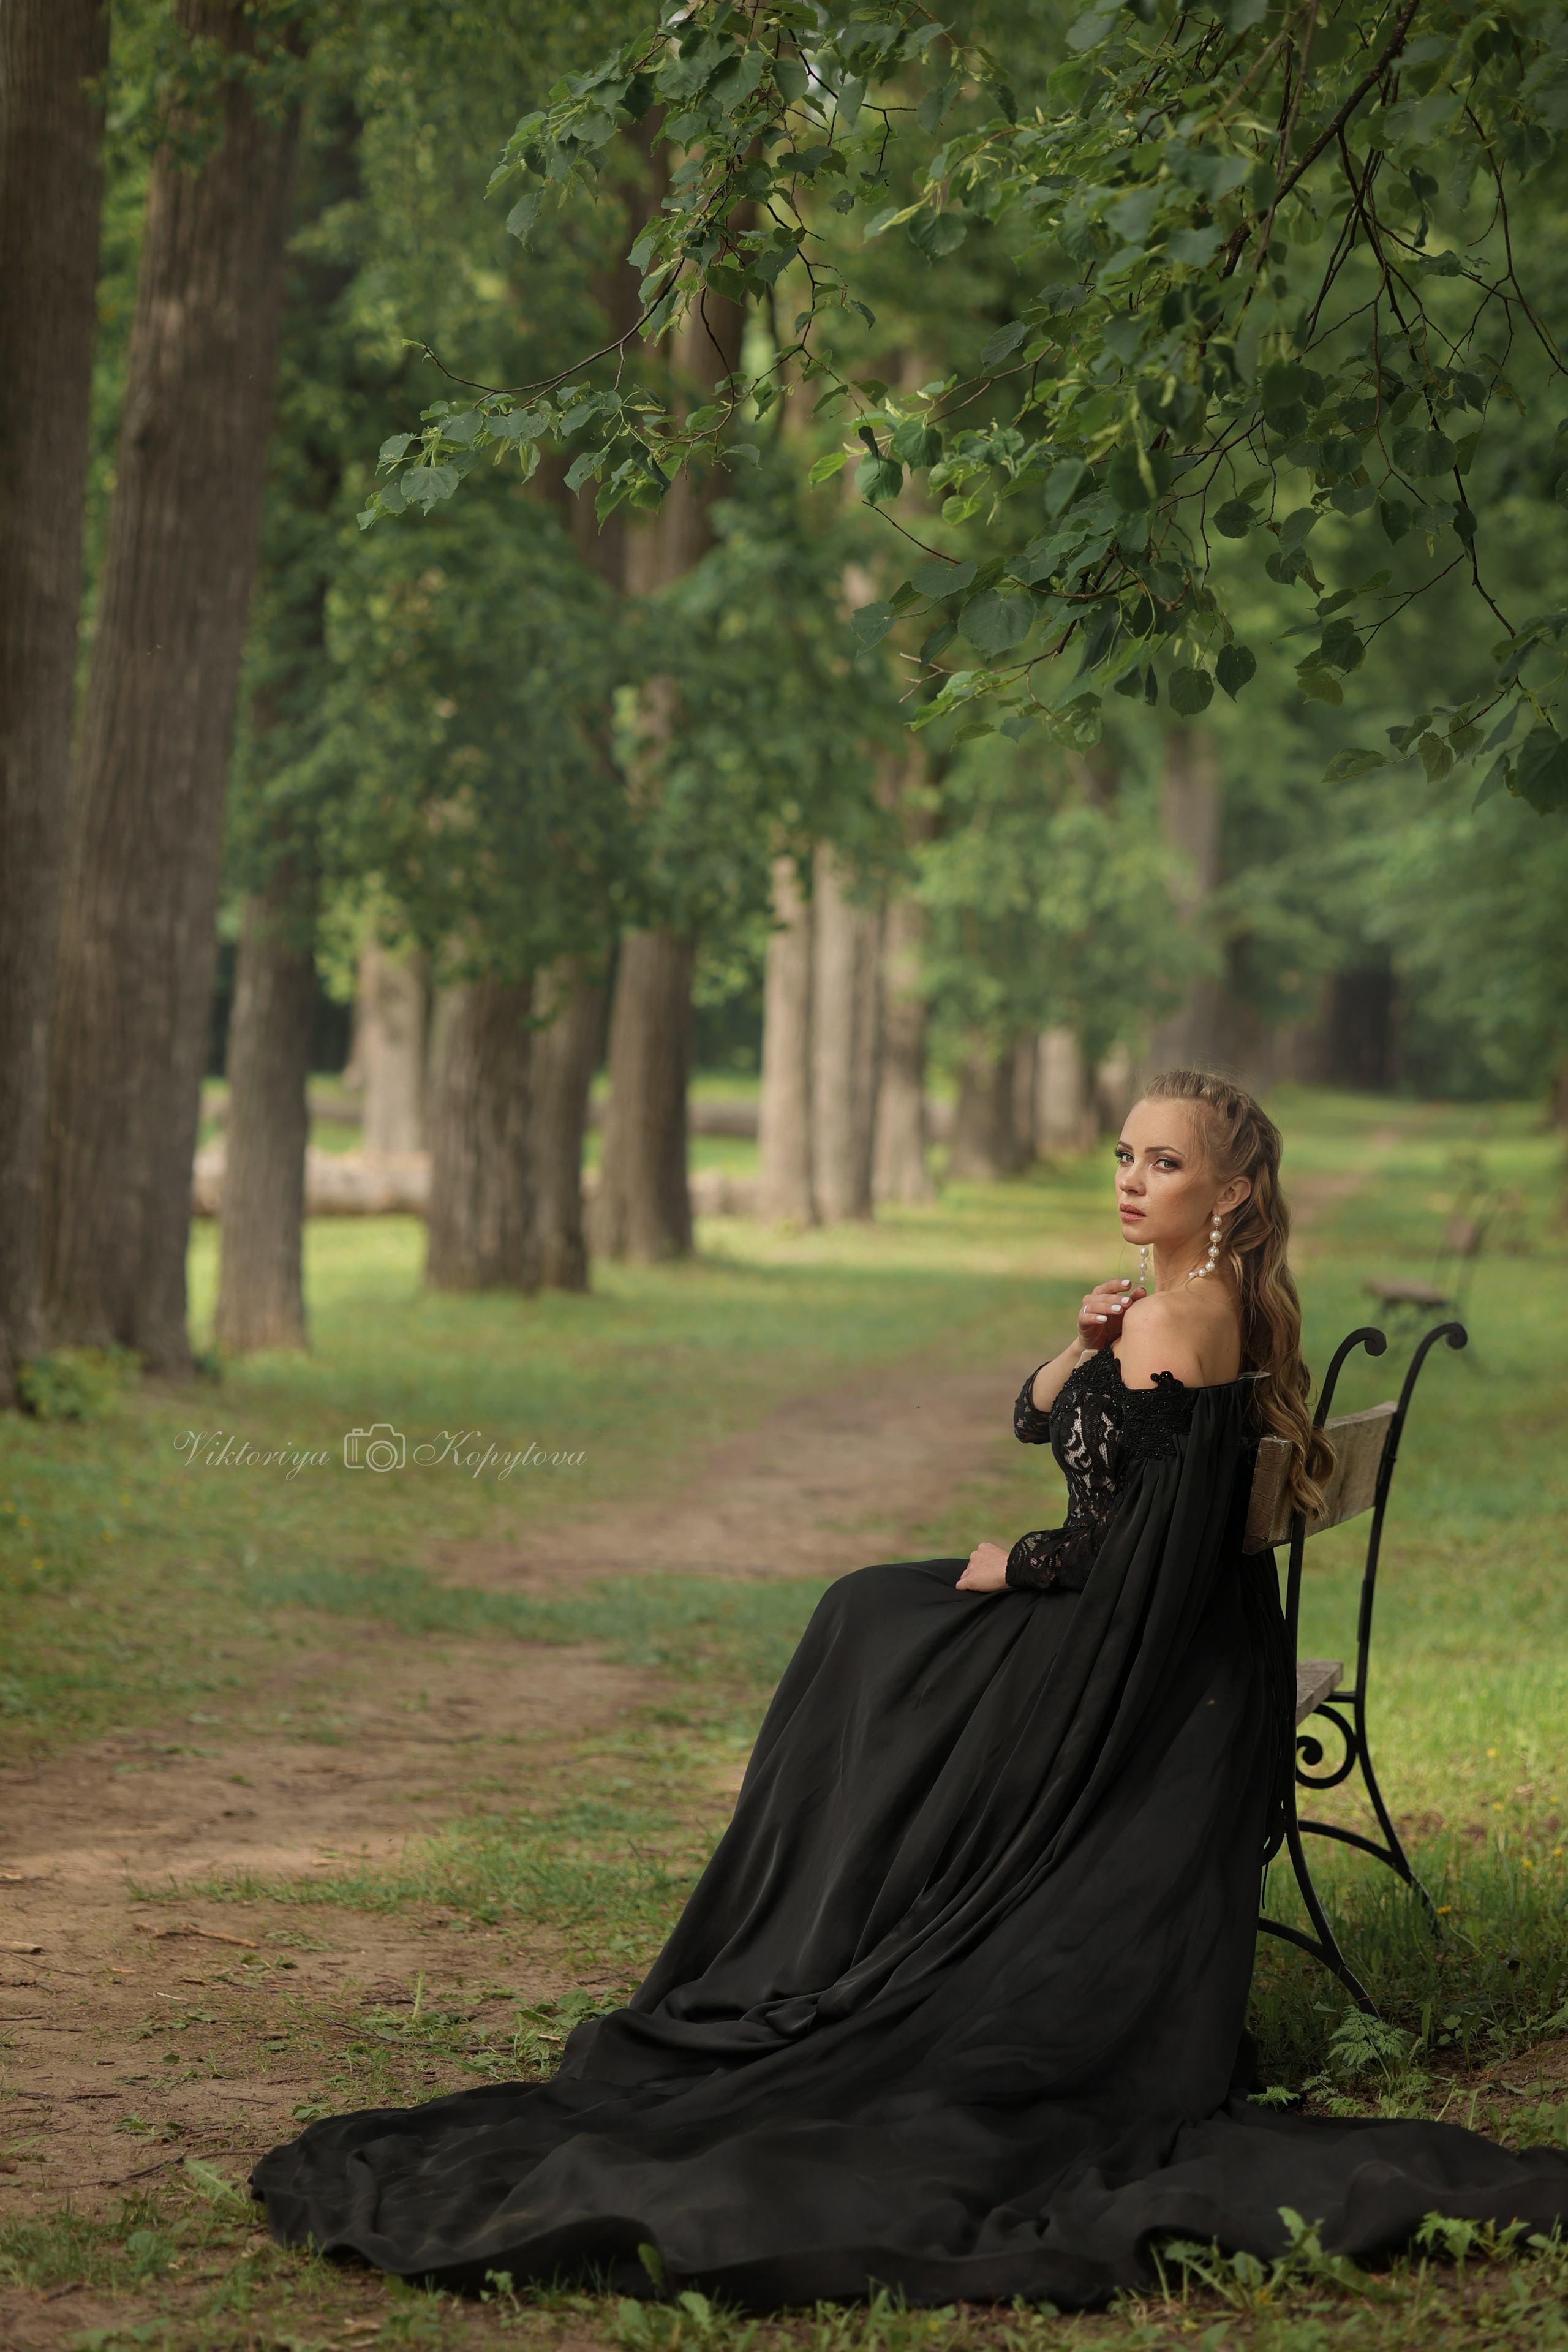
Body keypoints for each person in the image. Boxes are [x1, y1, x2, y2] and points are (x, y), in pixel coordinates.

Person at [251, 1069, 1567, 2307]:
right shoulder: (1165, 1306)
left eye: (1161, 1163)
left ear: (1226, 1194)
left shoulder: (1180, 1318)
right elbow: (1040, 1420)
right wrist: (1078, 1346)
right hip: (1168, 1631)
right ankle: (819, 1922)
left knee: (873, 1630)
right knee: (868, 1613)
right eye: (1123, 1154)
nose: (1128, 1177)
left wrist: (1019, 1565)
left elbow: (1127, 1548)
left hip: (1134, 1652)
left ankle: (823, 1938)